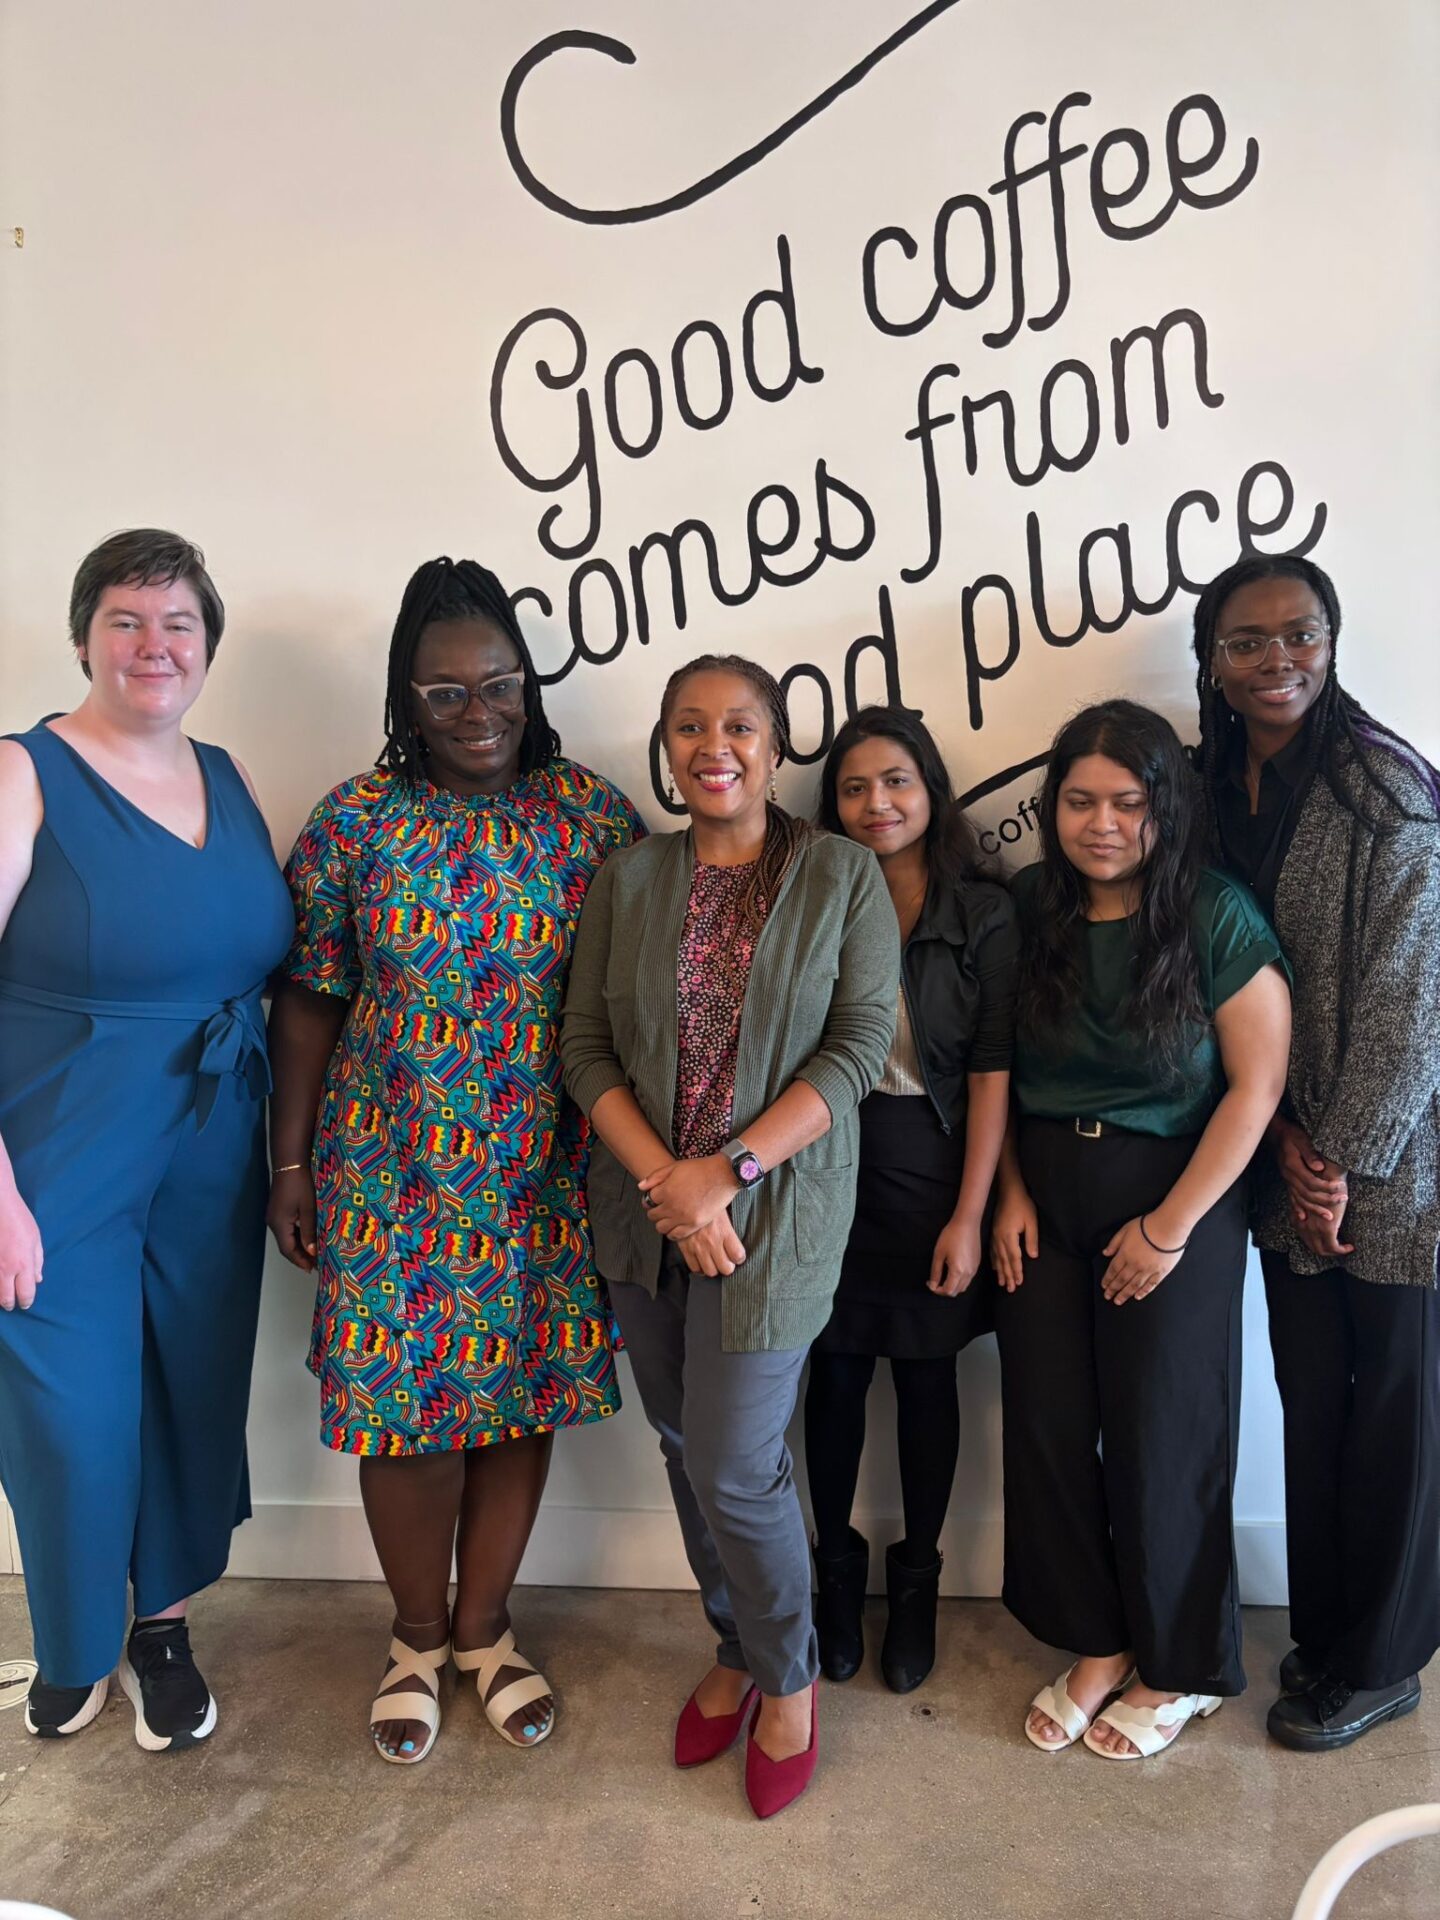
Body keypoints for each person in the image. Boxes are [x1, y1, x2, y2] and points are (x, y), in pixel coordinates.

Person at [267, 556, 642, 1765]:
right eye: (445, 693)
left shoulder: (592, 817)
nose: (478, 713)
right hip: (388, 1168)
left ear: (528, 683)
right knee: (406, 1418)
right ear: (405, 700)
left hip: (544, 1171)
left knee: (517, 1398)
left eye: (499, 684)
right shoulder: (355, 823)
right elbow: (310, 1000)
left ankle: (485, 1631)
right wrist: (289, 1166)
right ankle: (416, 1638)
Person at [561, 655, 897, 1818]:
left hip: (779, 1213)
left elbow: (857, 1049)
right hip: (647, 1211)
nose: (716, 747)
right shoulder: (630, 877)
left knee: (735, 1464)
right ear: (665, 746)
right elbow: (584, 1045)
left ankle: (788, 1677)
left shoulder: (842, 874)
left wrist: (728, 1175)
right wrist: (672, 1185)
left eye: (741, 725)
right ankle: (737, 1644)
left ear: (777, 743)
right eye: (691, 727)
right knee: (678, 1440)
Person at [0, 529, 294, 1750]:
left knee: (188, 1381)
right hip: (61, 1142)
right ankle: (74, 1642)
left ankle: (160, 1630)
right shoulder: (22, 773)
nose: (154, 645)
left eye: (179, 623)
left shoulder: (230, 775)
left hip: (215, 1135)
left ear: (208, 646)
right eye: (126, 619)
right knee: (70, 1406)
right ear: (84, 638)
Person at [991, 699, 1291, 1760]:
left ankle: (1183, 1664)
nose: (1103, 824)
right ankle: (1099, 1640)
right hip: (1043, 1190)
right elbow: (998, 1066)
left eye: (1128, 802)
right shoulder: (1029, 905)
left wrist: (1167, 1230)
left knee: (1167, 1434)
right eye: (1080, 801)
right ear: (1053, 807)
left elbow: (1256, 1088)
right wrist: (1010, 1191)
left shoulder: (1214, 913)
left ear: (1167, 806)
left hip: (1176, 1193)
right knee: (1048, 1427)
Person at [1192, 553, 1440, 1752]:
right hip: (1280, 1152)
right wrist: (1284, 1141)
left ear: (1332, 642)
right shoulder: (1208, 785)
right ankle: (1331, 1631)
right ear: (1213, 661)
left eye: (1300, 634)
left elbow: (1412, 993)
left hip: (1394, 1172)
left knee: (1394, 1412)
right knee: (1314, 1406)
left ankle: (1386, 1661)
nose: (1276, 660)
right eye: (1247, 641)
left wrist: (1337, 1158)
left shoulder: (1387, 787)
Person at [803, 707, 1016, 1695]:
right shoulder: (810, 898)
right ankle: (835, 1579)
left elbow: (993, 1070)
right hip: (827, 1169)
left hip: (937, 1170)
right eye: (853, 788)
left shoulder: (983, 913)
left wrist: (972, 1214)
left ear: (931, 789)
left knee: (929, 1382)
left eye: (896, 781)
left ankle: (919, 1582)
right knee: (835, 1379)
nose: (876, 803)